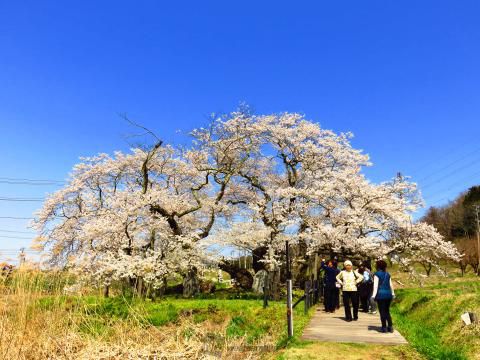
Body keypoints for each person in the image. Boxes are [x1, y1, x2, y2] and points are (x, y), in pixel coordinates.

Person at [371, 259, 395, 333]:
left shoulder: (377, 274)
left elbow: (375, 286)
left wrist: (373, 296)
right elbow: (391, 285)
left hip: (380, 295)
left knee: (382, 312)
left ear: (378, 266)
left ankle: (384, 327)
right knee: (387, 311)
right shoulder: (388, 274)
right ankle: (390, 327)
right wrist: (393, 294)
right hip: (388, 295)